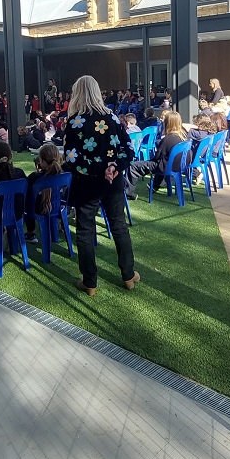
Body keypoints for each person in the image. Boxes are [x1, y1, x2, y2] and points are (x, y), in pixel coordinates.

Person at [63, 75, 139, 296]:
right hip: (112, 181)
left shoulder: (75, 121)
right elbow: (128, 149)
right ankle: (128, 275)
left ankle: (90, 282)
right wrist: (114, 167)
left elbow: (71, 157)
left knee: (85, 230)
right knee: (119, 225)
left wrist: (98, 169)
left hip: (87, 183)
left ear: (77, 93)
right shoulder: (113, 118)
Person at [126, 111, 187, 200]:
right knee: (160, 162)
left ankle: (129, 193)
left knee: (133, 166)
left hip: (165, 166)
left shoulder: (168, 139)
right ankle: (156, 185)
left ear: (167, 123)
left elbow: (158, 157)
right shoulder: (183, 137)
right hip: (177, 165)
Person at [25, 142, 64, 243]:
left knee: (27, 202)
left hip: (38, 209)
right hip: (57, 206)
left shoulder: (34, 177)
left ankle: (31, 233)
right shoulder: (64, 175)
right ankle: (59, 225)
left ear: (42, 160)